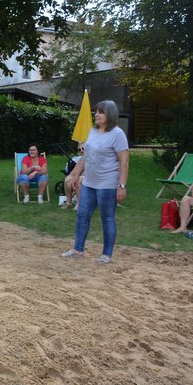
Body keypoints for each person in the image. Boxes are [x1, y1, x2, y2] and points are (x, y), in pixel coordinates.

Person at [61, 100, 129, 264]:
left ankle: (106, 254)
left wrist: (121, 186)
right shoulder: (93, 131)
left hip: (107, 183)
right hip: (89, 183)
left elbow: (124, 161)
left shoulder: (118, 134)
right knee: (82, 215)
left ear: (110, 115)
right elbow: (86, 156)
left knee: (107, 218)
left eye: (101, 112)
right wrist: (76, 174)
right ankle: (78, 249)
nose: (96, 114)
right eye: (96, 111)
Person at [62, 143, 85, 210]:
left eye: (83, 149)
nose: (81, 150)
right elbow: (73, 173)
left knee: (78, 180)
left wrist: (76, 177)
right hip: (82, 178)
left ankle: (79, 203)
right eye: (79, 149)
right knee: (68, 179)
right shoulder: (81, 160)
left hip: (93, 179)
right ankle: (68, 202)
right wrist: (71, 177)